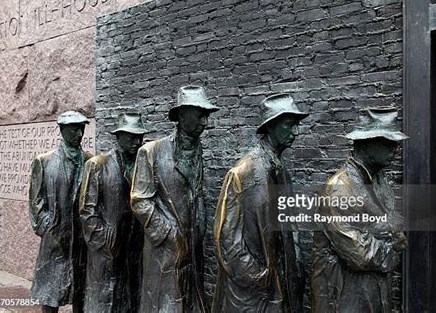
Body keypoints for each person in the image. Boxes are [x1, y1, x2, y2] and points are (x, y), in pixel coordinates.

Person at [213, 93, 307, 312]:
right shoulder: (243, 172)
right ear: (271, 127)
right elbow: (226, 237)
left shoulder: (281, 172)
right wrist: (257, 276)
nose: (295, 132)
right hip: (252, 289)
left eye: (296, 126)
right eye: (288, 125)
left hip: (278, 283)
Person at [130, 85, 219, 312]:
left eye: (206, 116)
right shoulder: (151, 152)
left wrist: (199, 230)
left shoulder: (198, 150)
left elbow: (197, 194)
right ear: (181, 115)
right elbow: (140, 201)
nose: (205, 123)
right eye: (200, 115)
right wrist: (170, 235)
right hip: (164, 251)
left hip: (192, 250)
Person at [311, 107, 408, 313]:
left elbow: (392, 224)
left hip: (372, 291)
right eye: (388, 144)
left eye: (396, 144)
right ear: (366, 143)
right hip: (344, 296)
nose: (395, 150)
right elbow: (360, 254)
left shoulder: (379, 180)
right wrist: (393, 250)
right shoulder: (339, 189)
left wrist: (390, 233)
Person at [79, 113, 148, 312]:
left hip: (134, 245)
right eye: (131, 137)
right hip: (106, 245)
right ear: (118, 137)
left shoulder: (143, 165)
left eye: (140, 137)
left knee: (130, 295)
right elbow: (86, 210)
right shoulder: (97, 165)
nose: (137, 142)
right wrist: (103, 238)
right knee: (104, 296)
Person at [29, 110, 91, 313]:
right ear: (62, 130)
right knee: (51, 291)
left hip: (82, 240)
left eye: (81, 129)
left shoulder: (91, 161)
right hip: (55, 238)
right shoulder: (44, 161)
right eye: (74, 129)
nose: (79, 134)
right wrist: (47, 226)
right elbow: (36, 200)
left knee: (81, 291)